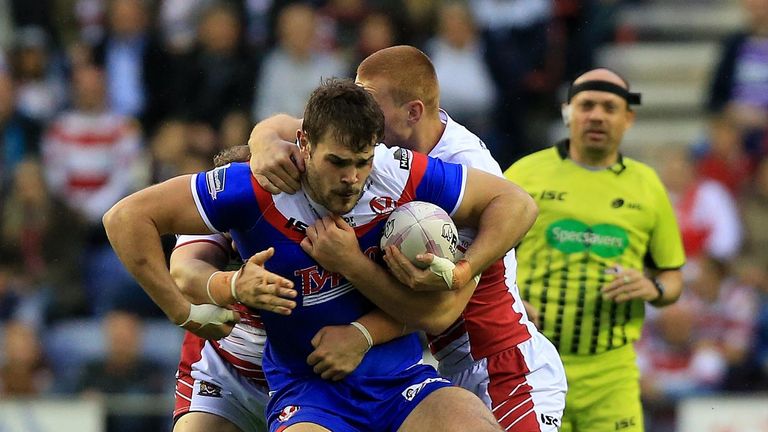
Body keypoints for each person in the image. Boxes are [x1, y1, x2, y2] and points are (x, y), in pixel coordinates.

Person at [103, 77, 533, 431]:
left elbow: (518, 204)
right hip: (298, 388)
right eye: (338, 162)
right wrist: (195, 306)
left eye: (362, 162)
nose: (352, 179)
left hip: (400, 381)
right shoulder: (252, 189)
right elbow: (127, 221)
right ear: (304, 145)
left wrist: (462, 270)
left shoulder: (396, 172)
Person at [245, 45, 567, 431]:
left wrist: (358, 289)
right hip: (452, 367)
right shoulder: (388, 155)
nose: (359, 116)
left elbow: (441, 311)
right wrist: (262, 142)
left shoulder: (464, 168)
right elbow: (290, 125)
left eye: (370, 104)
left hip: (503, 365)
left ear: (412, 111)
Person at [503, 68, 686, 432]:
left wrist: (655, 288)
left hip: (611, 373)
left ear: (628, 118)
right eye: (586, 105)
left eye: (609, 106)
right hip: (533, 362)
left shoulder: (647, 185)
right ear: (567, 112)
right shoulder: (524, 174)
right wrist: (509, 302)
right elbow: (482, 257)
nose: (597, 115)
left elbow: (672, 275)